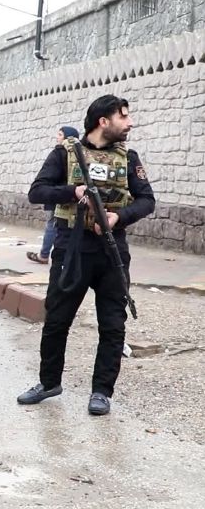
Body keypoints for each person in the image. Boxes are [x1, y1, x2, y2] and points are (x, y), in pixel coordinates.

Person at [17, 95, 155, 416]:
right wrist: (74, 191)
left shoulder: (128, 157)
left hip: (111, 249)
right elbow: (37, 191)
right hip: (72, 247)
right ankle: (49, 382)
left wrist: (118, 218)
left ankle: (101, 392)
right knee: (57, 321)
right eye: (123, 116)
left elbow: (147, 200)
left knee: (112, 325)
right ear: (103, 121)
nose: (130, 122)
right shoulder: (65, 154)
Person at [27, 126, 80, 264]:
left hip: (58, 197)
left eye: (60, 134)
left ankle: (44, 255)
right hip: (72, 198)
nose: (57, 137)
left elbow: (36, 191)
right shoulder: (80, 155)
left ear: (67, 138)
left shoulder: (59, 154)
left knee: (52, 225)